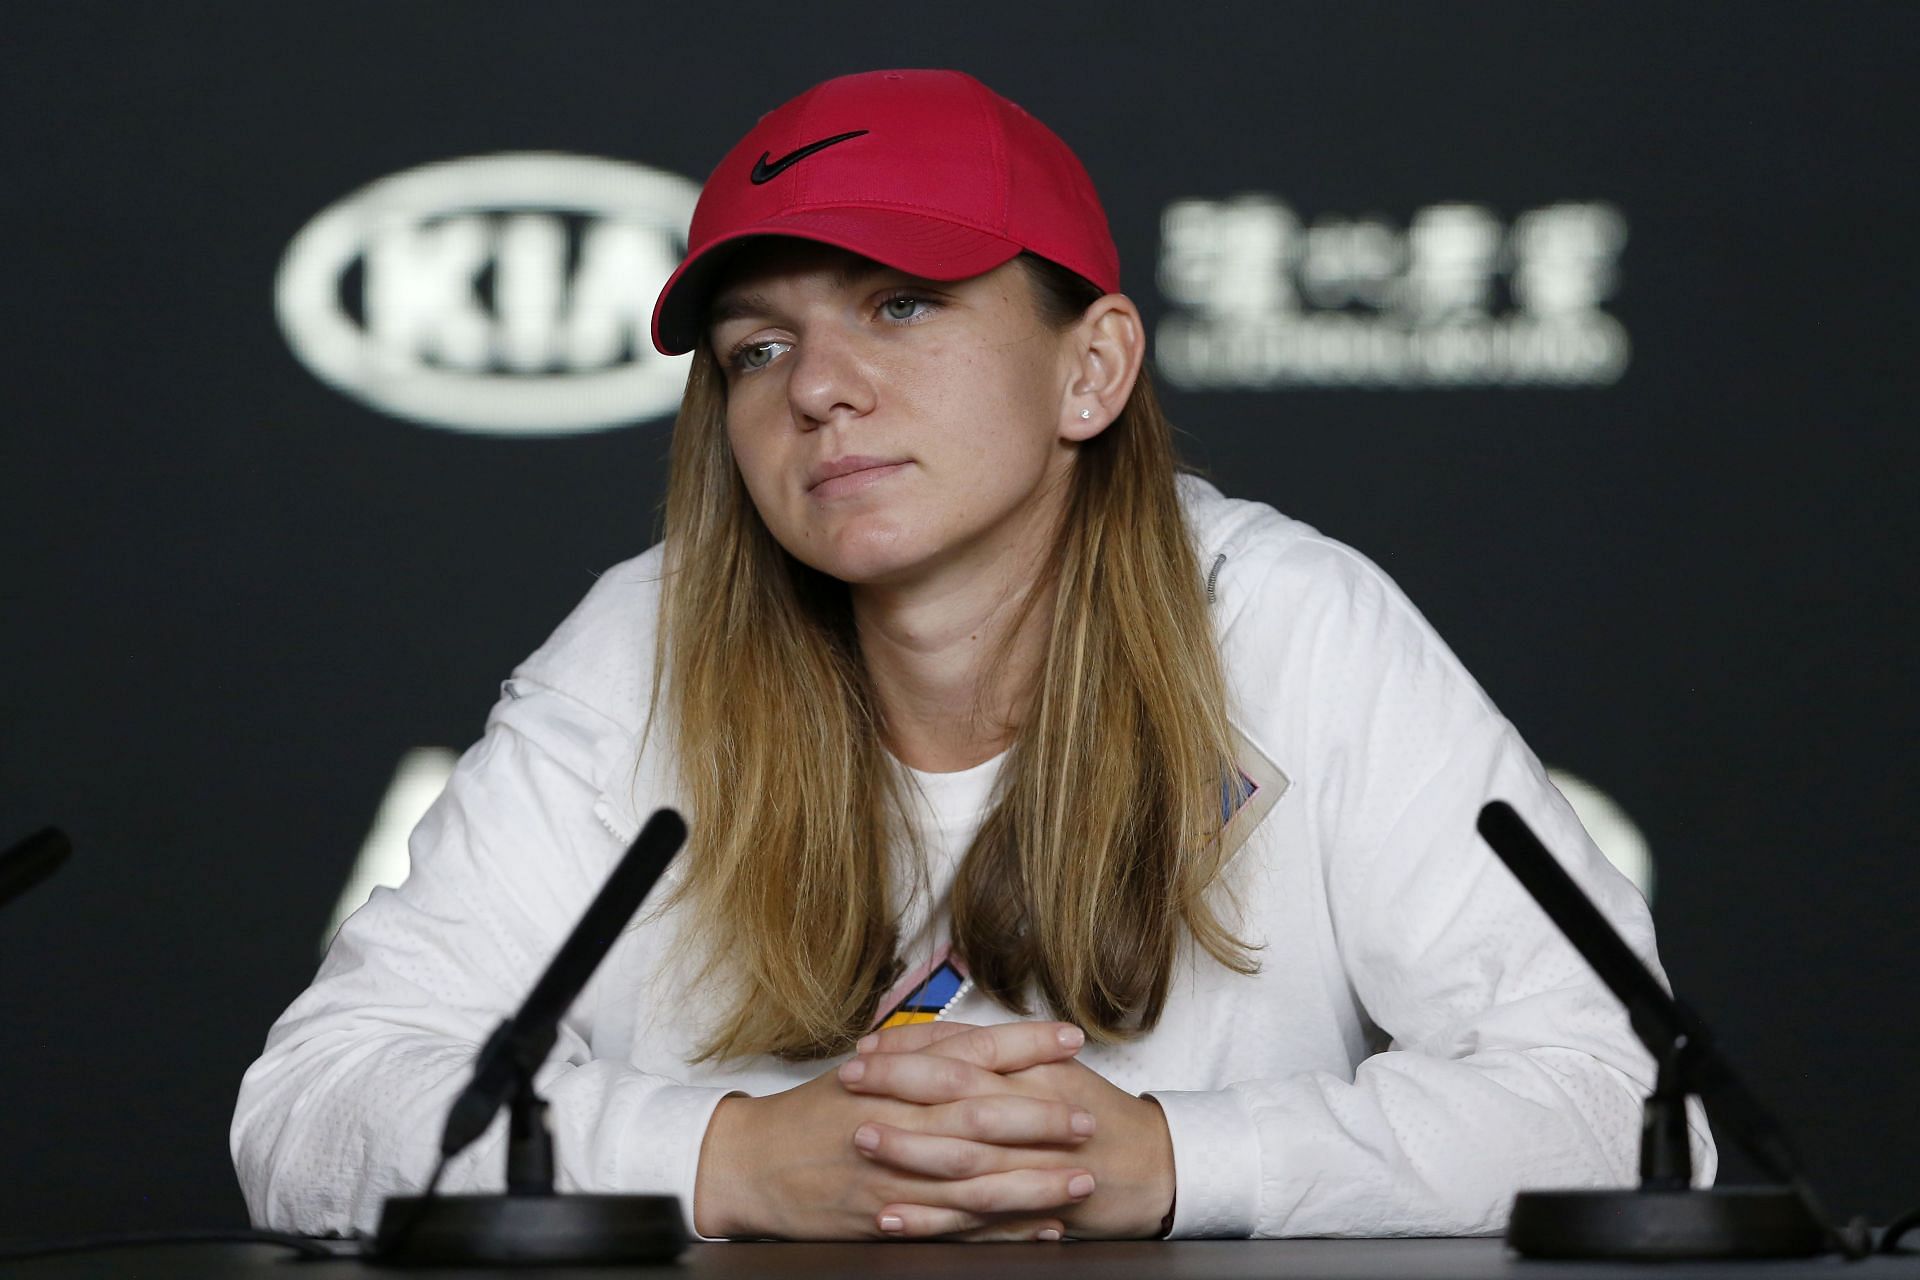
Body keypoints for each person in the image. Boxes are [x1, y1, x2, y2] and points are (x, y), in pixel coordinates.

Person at [231, 68, 1714, 1243]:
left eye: (901, 305)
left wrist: (1156, 1160)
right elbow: (312, 1110)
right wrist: (731, 1158)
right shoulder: (642, 645)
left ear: (1093, 367)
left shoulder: (1286, 622)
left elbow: (1631, 1102)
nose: (819, 387)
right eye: (756, 347)